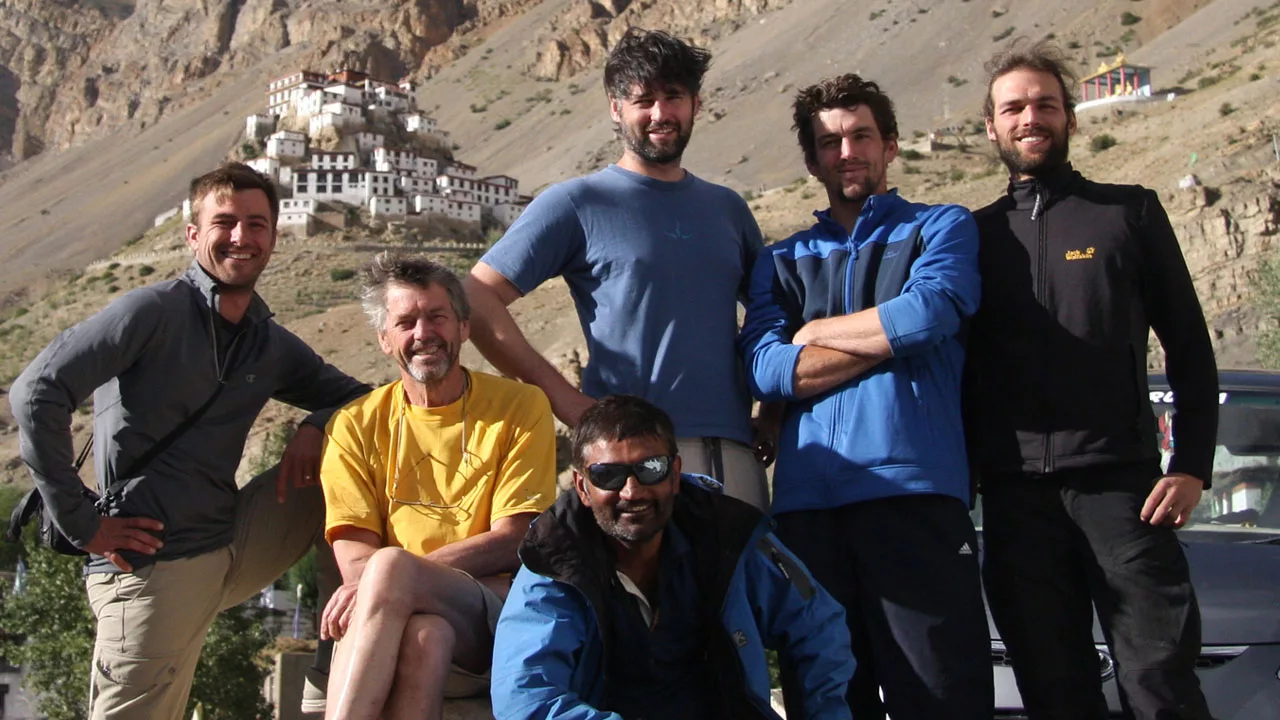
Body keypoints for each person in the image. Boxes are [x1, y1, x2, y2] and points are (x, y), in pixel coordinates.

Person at [9, 162, 371, 720]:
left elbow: (367, 401)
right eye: (224, 222)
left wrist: (317, 423)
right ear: (193, 235)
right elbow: (36, 392)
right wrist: (82, 522)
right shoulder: (150, 312)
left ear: (274, 236)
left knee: (345, 461)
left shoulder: (266, 340)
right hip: (149, 566)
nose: (241, 237)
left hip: (229, 544)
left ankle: (333, 671)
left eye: (256, 224)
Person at [966, 40, 1217, 720]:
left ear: (1070, 118)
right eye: (1013, 107)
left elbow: (1190, 346)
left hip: (1123, 492)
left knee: (1160, 683)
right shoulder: (969, 238)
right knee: (1054, 694)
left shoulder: (1128, 214)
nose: (1030, 118)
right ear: (991, 126)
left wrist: (1193, 465)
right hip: (1015, 504)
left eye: (1045, 104)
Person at [738, 74, 992, 720]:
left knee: (939, 696)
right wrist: (884, 336)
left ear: (891, 145)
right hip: (806, 512)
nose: (846, 152)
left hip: (915, 496)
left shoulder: (943, 227)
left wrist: (816, 333)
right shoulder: (781, 259)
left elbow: (931, 313)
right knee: (827, 700)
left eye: (861, 136)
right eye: (829, 142)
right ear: (811, 159)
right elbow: (767, 370)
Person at [465, 27, 772, 510]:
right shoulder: (577, 202)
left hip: (732, 452)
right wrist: (565, 401)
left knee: (741, 586)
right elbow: (477, 296)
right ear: (615, 108)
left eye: (673, 97)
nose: (660, 113)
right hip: (628, 461)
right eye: (642, 99)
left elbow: (771, 316)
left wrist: (772, 411)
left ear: (695, 103)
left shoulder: (728, 208)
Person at [490, 395, 854, 720]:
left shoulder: (725, 534)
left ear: (675, 474)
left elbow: (817, 623)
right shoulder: (554, 560)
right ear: (583, 486)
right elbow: (524, 698)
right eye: (608, 475)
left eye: (651, 469)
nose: (632, 492)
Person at [317, 252, 557, 720]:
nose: (423, 333)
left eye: (437, 316)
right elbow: (354, 561)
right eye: (405, 322)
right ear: (385, 340)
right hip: (398, 616)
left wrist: (397, 575)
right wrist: (390, 581)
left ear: (464, 327)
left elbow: (514, 539)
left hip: (491, 608)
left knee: (389, 570)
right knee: (427, 636)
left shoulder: (521, 406)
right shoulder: (354, 425)